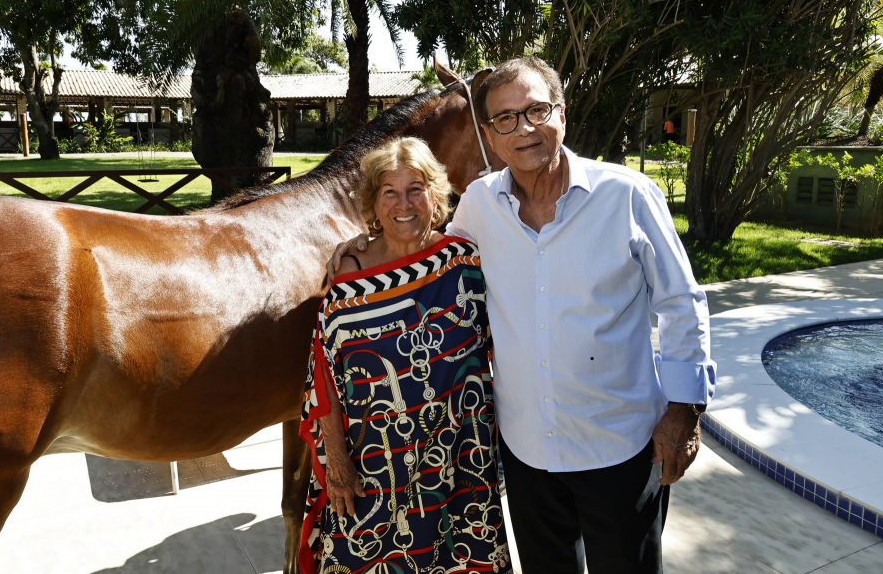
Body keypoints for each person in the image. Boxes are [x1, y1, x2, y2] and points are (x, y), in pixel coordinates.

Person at [329, 58, 716, 574]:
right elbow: (426, 254)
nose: (524, 129)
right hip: (527, 453)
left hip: (620, 447)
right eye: (506, 119)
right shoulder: (479, 207)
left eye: (537, 110)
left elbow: (681, 303)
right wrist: (369, 243)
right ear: (488, 134)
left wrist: (684, 412)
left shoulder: (626, 195)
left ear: (562, 113)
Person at [299, 137, 511, 574]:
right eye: (389, 192)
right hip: (374, 468)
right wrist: (336, 462)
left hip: (459, 458)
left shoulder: (464, 261)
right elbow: (323, 374)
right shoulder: (349, 275)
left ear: (435, 194)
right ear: (373, 203)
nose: (404, 203)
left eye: (416, 188)